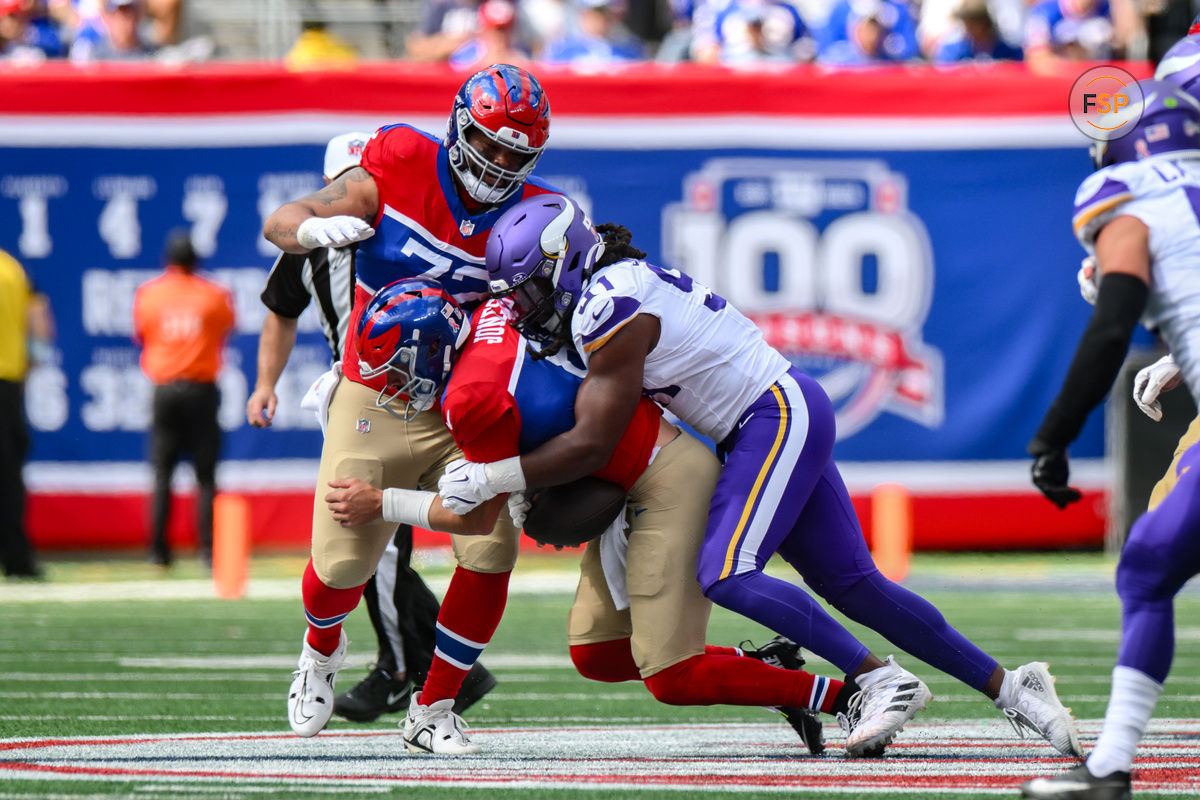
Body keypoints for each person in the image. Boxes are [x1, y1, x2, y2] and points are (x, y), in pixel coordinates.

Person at [437, 194, 1084, 759]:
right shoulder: (611, 289)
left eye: (528, 291)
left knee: (726, 573)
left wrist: (495, 477)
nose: (522, 310)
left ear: (564, 264)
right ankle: (1011, 686)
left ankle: (874, 679)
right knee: (855, 584)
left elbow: (592, 442)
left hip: (770, 416)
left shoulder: (609, 304)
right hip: (769, 416)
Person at [324, 278, 909, 757]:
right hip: (628, 474)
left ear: (431, 352)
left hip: (666, 477)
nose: (399, 391)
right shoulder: (490, 315)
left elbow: (476, 521)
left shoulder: (471, 398)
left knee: (670, 675)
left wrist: (384, 504)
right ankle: (771, 672)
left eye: (401, 374)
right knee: (598, 654)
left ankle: (844, 695)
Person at [260, 63, 559, 739]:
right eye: (490, 143)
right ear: (460, 127)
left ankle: (435, 707)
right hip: (378, 391)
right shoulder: (398, 163)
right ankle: (321, 650)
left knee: (489, 551)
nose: (501, 161)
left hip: (465, 403)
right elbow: (288, 217)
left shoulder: (536, 211)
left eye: (517, 152)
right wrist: (310, 230)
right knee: (341, 565)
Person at [249, 132, 498, 725]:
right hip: (361, 395)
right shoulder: (312, 242)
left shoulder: (416, 226)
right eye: (347, 188)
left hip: (437, 399)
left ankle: (406, 672)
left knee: (432, 544)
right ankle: (383, 661)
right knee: (355, 552)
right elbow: (281, 311)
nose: (359, 199)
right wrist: (265, 384)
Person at [1019, 80, 1200, 800]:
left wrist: (1054, 435)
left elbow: (1111, 323)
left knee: (1149, 569)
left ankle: (1111, 768)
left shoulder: (1131, 200)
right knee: (1152, 561)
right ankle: (1108, 767)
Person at [133, 229, 236, 568]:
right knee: (205, 474)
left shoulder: (149, 294)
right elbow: (225, 329)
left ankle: (157, 552)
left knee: (162, 472)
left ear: (168, 260)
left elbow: (142, 334)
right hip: (201, 389)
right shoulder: (214, 294)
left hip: (164, 389)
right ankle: (207, 551)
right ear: (196, 260)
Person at [0, 246, 51, 580]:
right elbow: (40, 324)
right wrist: (28, 369)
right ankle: (17, 558)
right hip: (6, 382)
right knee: (6, 476)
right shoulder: (12, 269)